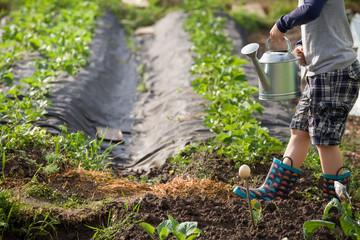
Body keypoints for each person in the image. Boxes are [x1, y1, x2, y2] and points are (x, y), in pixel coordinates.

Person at [234, 0, 360, 201]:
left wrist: (282, 23)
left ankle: (337, 203)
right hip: (321, 71)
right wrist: (303, 46)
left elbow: (311, 10)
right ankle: (274, 190)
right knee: (299, 130)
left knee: (325, 140)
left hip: (334, 71)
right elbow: (321, 24)